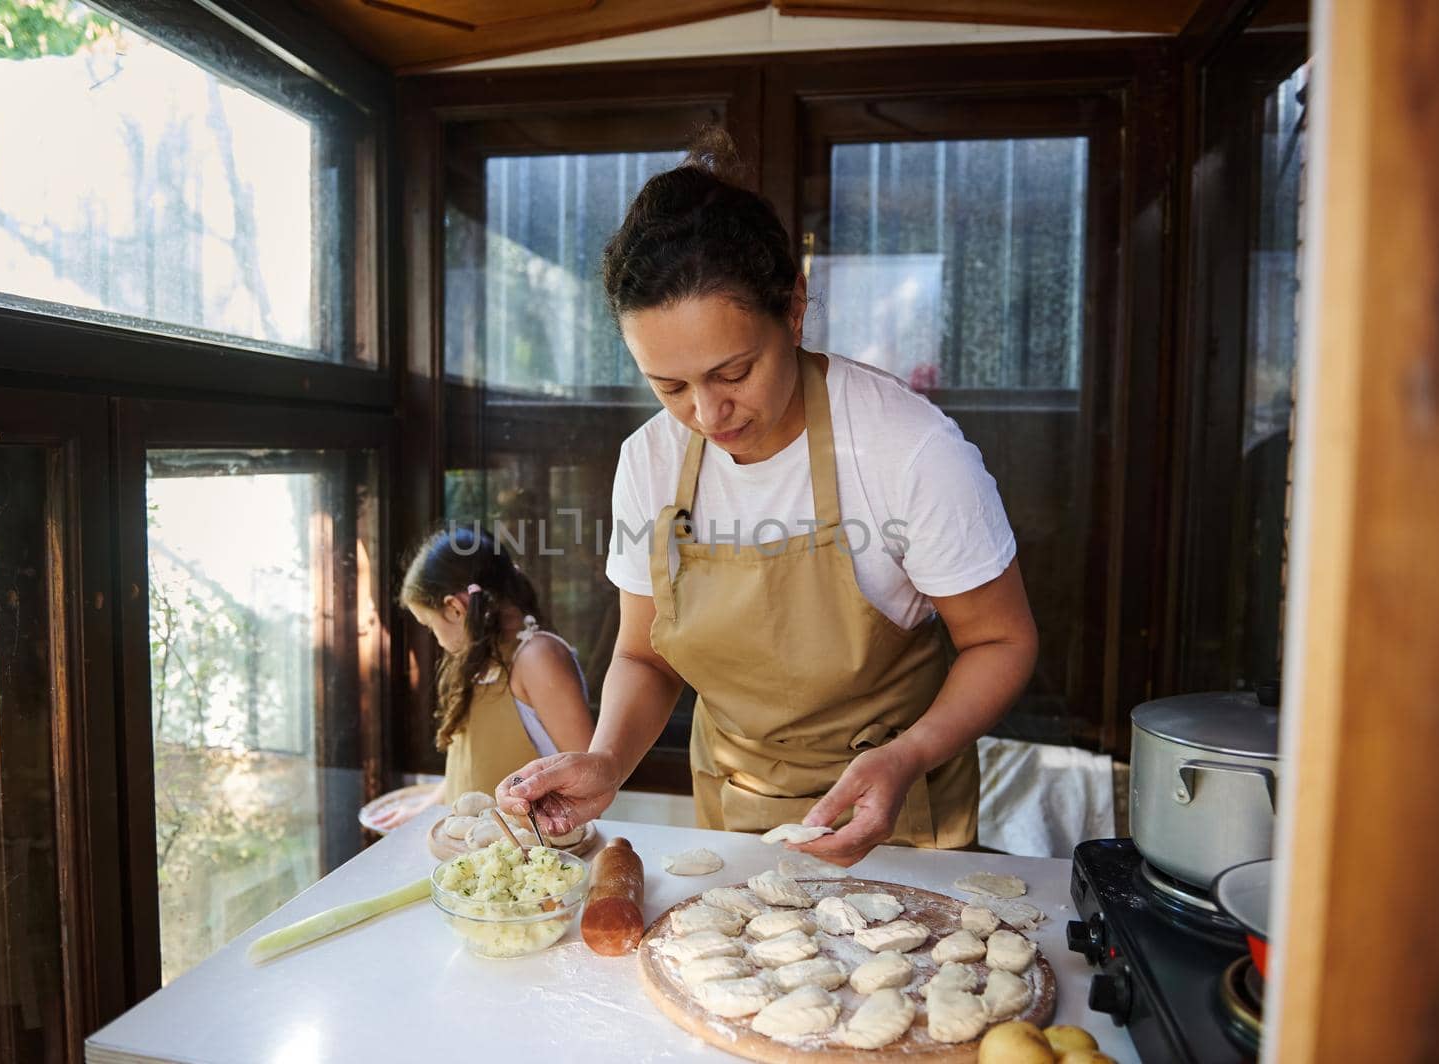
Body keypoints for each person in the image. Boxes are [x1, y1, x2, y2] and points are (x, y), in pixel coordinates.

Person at [500, 128, 1039, 864]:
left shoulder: (905, 448)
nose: (707, 413)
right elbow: (646, 657)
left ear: (793, 307)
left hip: (903, 813)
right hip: (734, 812)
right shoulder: (650, 461)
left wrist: (911, 754)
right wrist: (606, 762)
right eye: (670, 386)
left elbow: (1000, 640)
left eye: (734, 372)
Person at [380, 527, 594, 828]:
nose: (435, 639)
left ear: (455, 608)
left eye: (429, 625)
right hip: (479, 859)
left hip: (531, 861)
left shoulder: (537, 657)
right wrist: (426, 808)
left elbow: (589, 777)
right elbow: (468, 769)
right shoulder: (481, 660)